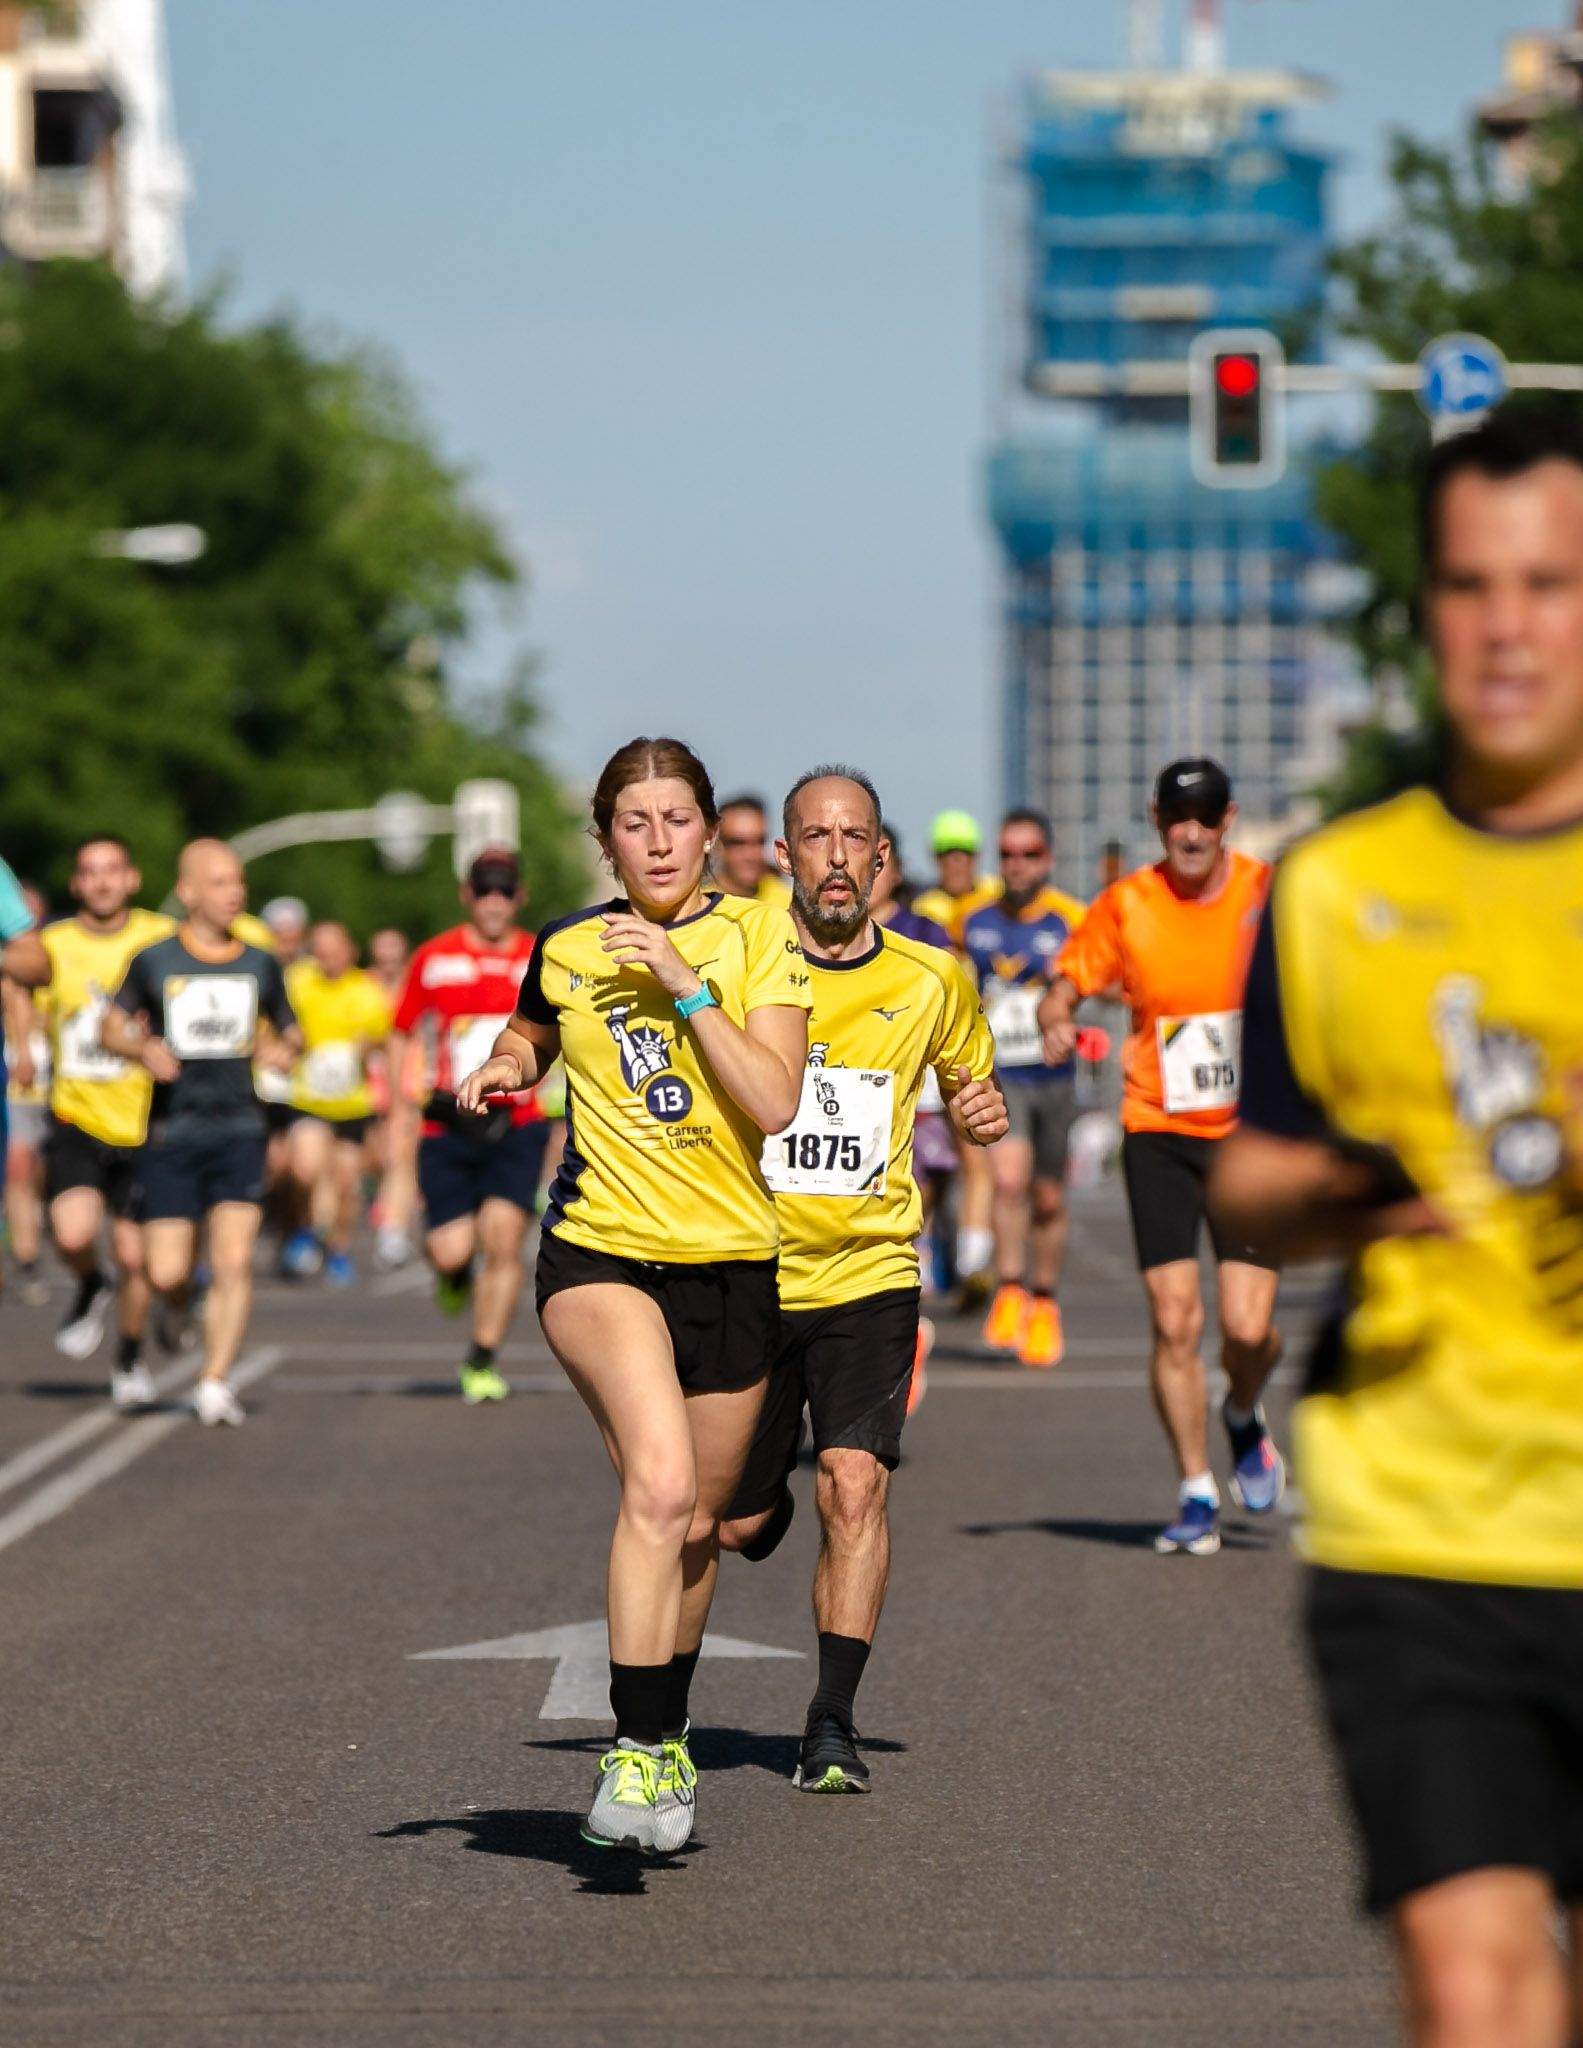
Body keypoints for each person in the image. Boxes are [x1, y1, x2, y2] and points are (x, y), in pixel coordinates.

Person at [1214, 409, 1583, 2048]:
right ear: (1422, 609)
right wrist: (1350, 1191)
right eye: (1465, 583)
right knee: (1469, 1982)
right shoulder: (1329, 887)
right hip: (1420, 1521)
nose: (1504, 626)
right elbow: (1252, 1175)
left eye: (1547, 582)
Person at [458, 735, 809, 1854]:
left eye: (676, 818)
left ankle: (667, 1734)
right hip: (600, 1255)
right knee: (657, 1489)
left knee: (701, 1523)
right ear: (605, 838)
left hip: (734, 1264)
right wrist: (508, 1063)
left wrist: (681, 979)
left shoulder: (762, 934)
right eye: (633, 822)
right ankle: (638, 1743)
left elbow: (773, 1100)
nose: (656, 840)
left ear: (709, 829)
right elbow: (533, 1022)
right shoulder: (567, 945)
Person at [718, 769, 1005, 1793]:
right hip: (744, 1267)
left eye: (854, 838)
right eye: (814, 837)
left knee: (853, 1483)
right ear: (782, 855)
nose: (835, 856)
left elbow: (973, 1076)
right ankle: (758, 1505)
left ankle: (830, 1720)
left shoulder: (932, 977)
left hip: (868, 1268)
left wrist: (980, 1110)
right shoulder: (735, 955)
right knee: (739, 1524)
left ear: (881, 858)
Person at [1038, 759, 1282, 1555]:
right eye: (1178, 815)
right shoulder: (1126, 905)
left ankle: (1241, 1415)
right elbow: (1067, 979)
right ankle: (1195, 1490)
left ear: (1228, 819)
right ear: (1156, 820)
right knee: (1176, 1322)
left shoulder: (1265, 894)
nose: (1191, 829)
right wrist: (1054, 1011)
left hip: (1249, 1137)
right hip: (1158, 1129)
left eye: (1206, 814)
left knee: (1248, 1332)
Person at [102, 840, 300, 1426]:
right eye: (219, 883)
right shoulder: (154, 960)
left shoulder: (260, 961)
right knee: (165, 1272)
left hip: (240, 1127)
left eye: (237, 882)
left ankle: (214, 1381)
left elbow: (292, 1032)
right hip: (172, 1132)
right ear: (187, 892)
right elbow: (109, 1029)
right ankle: (176, 1309)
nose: (234, 892)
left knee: (234, 1260)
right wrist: (142, 1048)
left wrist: (278, 1048)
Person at [387, 851, 545, 1403]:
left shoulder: (538, 957)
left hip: (518, 1121)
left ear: (519, 896)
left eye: (504, 890)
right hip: (447, 1121)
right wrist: (399, 1101)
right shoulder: (434, 958)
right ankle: (452, 1276)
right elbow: (401, 1028)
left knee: (503, 1240)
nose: (494, 901)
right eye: (484, 890)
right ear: (467, 894)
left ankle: (481, 1358)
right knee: (452, 1250)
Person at [29, 838, 174, 1399]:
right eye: (90, 873)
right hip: (77, 1114)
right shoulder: (51, 944)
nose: (103, 882)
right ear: (76, 885)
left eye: (113, 871)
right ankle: (91, 1279)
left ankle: (130, 1357)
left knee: (139, 1256)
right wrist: (24, 1047)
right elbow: (27, 1003)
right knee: (71, 1231)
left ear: (132, 879)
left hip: (148, 1119)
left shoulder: (161, 938)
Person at [961, 810, 1086, 1369]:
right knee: (1007, 1182)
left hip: (1054, 1077)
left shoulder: (1070, 921)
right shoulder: (973, 919)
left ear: (1048, 859)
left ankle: (1046, 1300)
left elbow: (1095, 984)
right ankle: (1010, 1288)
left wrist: (1067, 1016)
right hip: (1004, 1072)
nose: (1017, 864)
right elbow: (960, 987)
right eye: (1008, 854)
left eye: (1029, 854)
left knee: (1048, 1197)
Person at [911, 811, 1002, 1303]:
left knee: (977, 1144)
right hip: (932, 1048)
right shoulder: (923, 908)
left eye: (963, 853)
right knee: (932, 1170)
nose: (956, 863)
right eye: (948, 854)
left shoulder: (992, 899)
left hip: (980, 1042)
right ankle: (929, 1248)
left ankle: (974, 1251)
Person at [870, 825, 955, 1318]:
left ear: (896, 870)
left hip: (923, 1090)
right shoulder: (816, 933)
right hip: (861, 1093)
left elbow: (956, 1002)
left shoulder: (925, 932)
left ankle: (928, 1252)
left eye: (881, 861)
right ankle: (906, 1274)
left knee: (930, 1181)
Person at [279, 921, 392, 1285]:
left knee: (346, 1184)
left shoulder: (365, 989)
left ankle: (339, 1249)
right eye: (319, 950)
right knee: (304, 1168)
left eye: (333, 950)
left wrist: (364, 1048)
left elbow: (381, 1038)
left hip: (351, 1104)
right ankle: (303, 1229)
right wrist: (289, 1043)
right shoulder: (298, 980)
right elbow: (278, 1021)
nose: (326, 958)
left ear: (349, 952)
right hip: (308, 1096)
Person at [4, 882, 51, 1306]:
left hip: (54, 1079)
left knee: (35, 1170)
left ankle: (32, 1241)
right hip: (19, 1079)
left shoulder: (56, 950)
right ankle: (27, 1257)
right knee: (19, 1165)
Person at [366, 927, 421, 1269]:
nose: (388, 964)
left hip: (406, 1082)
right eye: (381, 957)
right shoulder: (363, 986)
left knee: (399, 1156)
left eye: (395, 957)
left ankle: (392, 1229)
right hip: (364, 1085)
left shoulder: (413, 987)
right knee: (373, 1159)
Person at [714, 793, 792, 906]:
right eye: (737, 843)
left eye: (759, 842)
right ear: (716, 843)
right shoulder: (694, 905)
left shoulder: (788, 905)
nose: (750, 855)